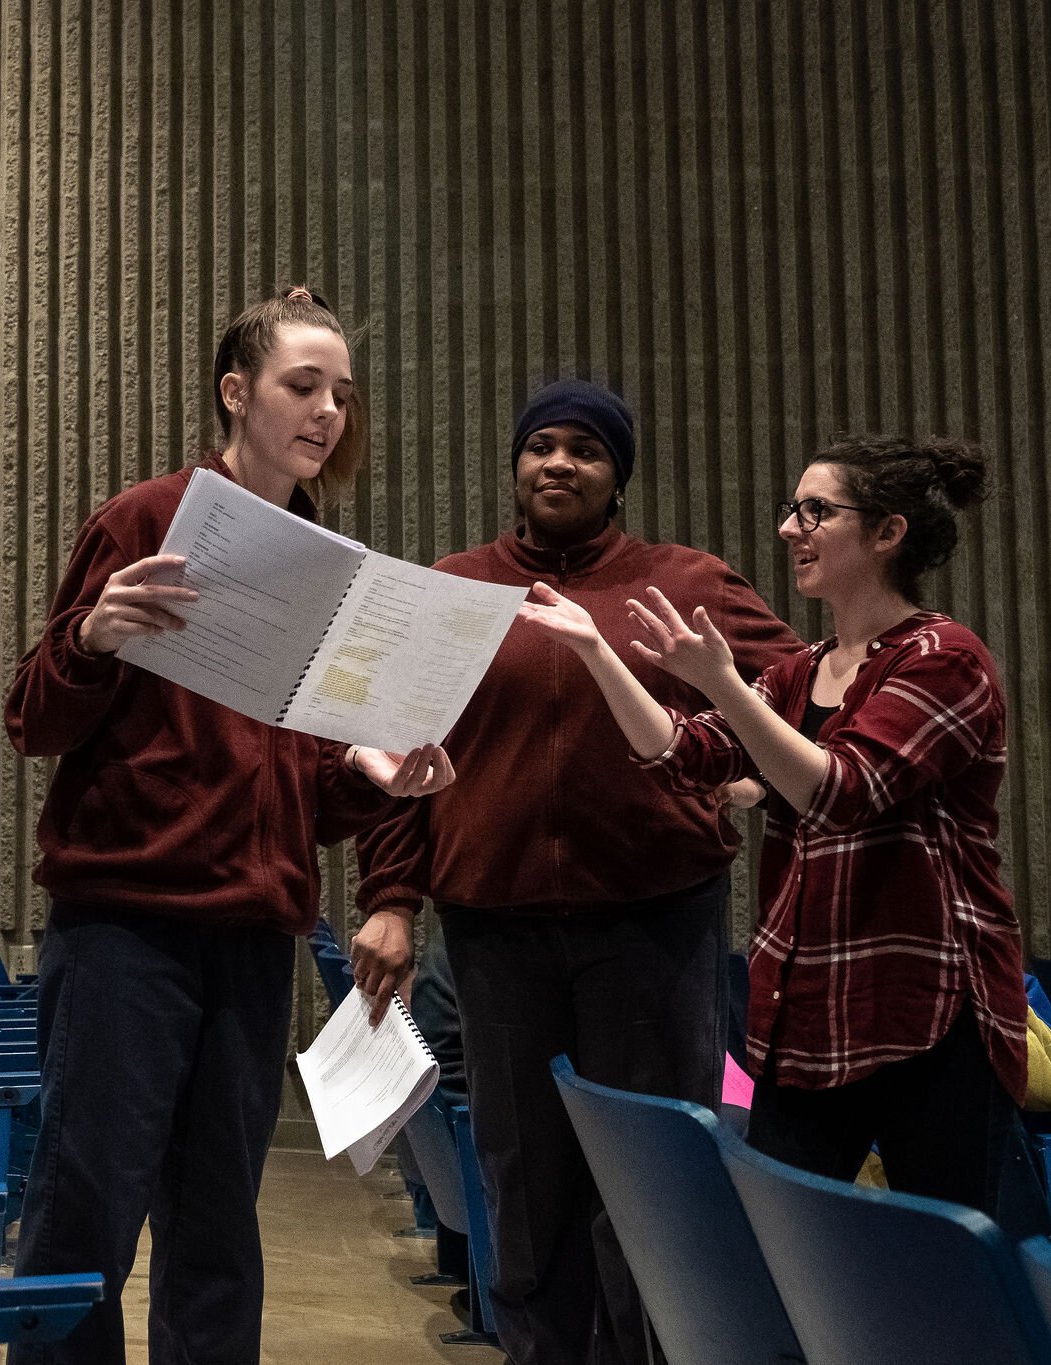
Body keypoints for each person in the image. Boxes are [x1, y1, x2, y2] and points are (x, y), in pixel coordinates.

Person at [4, 285, 455, 1365]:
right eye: (303, 386)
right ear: (234, 391)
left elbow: (297, 785)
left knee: (216, 1226)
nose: (327, 412)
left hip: (254, 936)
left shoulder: (322, 563)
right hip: (126, 929)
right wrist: (93, 639)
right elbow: (32, 719)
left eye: (341, 395)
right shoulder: (144, 521)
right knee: (85, 1217)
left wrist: (377, 783)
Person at [354, 379, 801, 1365]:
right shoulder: (454, 591)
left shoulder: (684, 581)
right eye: (540, 446)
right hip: (494, 927)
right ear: (515, 466)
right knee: (525, 1175)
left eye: (585, 451)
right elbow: (392, 751)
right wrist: (389, 899)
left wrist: (750, 776)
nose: (558, 463)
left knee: (646, 1179)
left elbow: (799, 694)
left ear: (616, 477)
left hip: (652, 925)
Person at [518, 434, 1029, 1222]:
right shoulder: (804, 668)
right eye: (793, 510)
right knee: (789, 1253)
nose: (791, 529)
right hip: (810, 1010)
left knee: (949, 1276)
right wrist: (595, 648)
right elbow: (686, 752)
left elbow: (843, 791)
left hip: (926, 1017)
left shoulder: (944, 658)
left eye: (816, 511)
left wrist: (720, 678)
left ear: (888, 532)